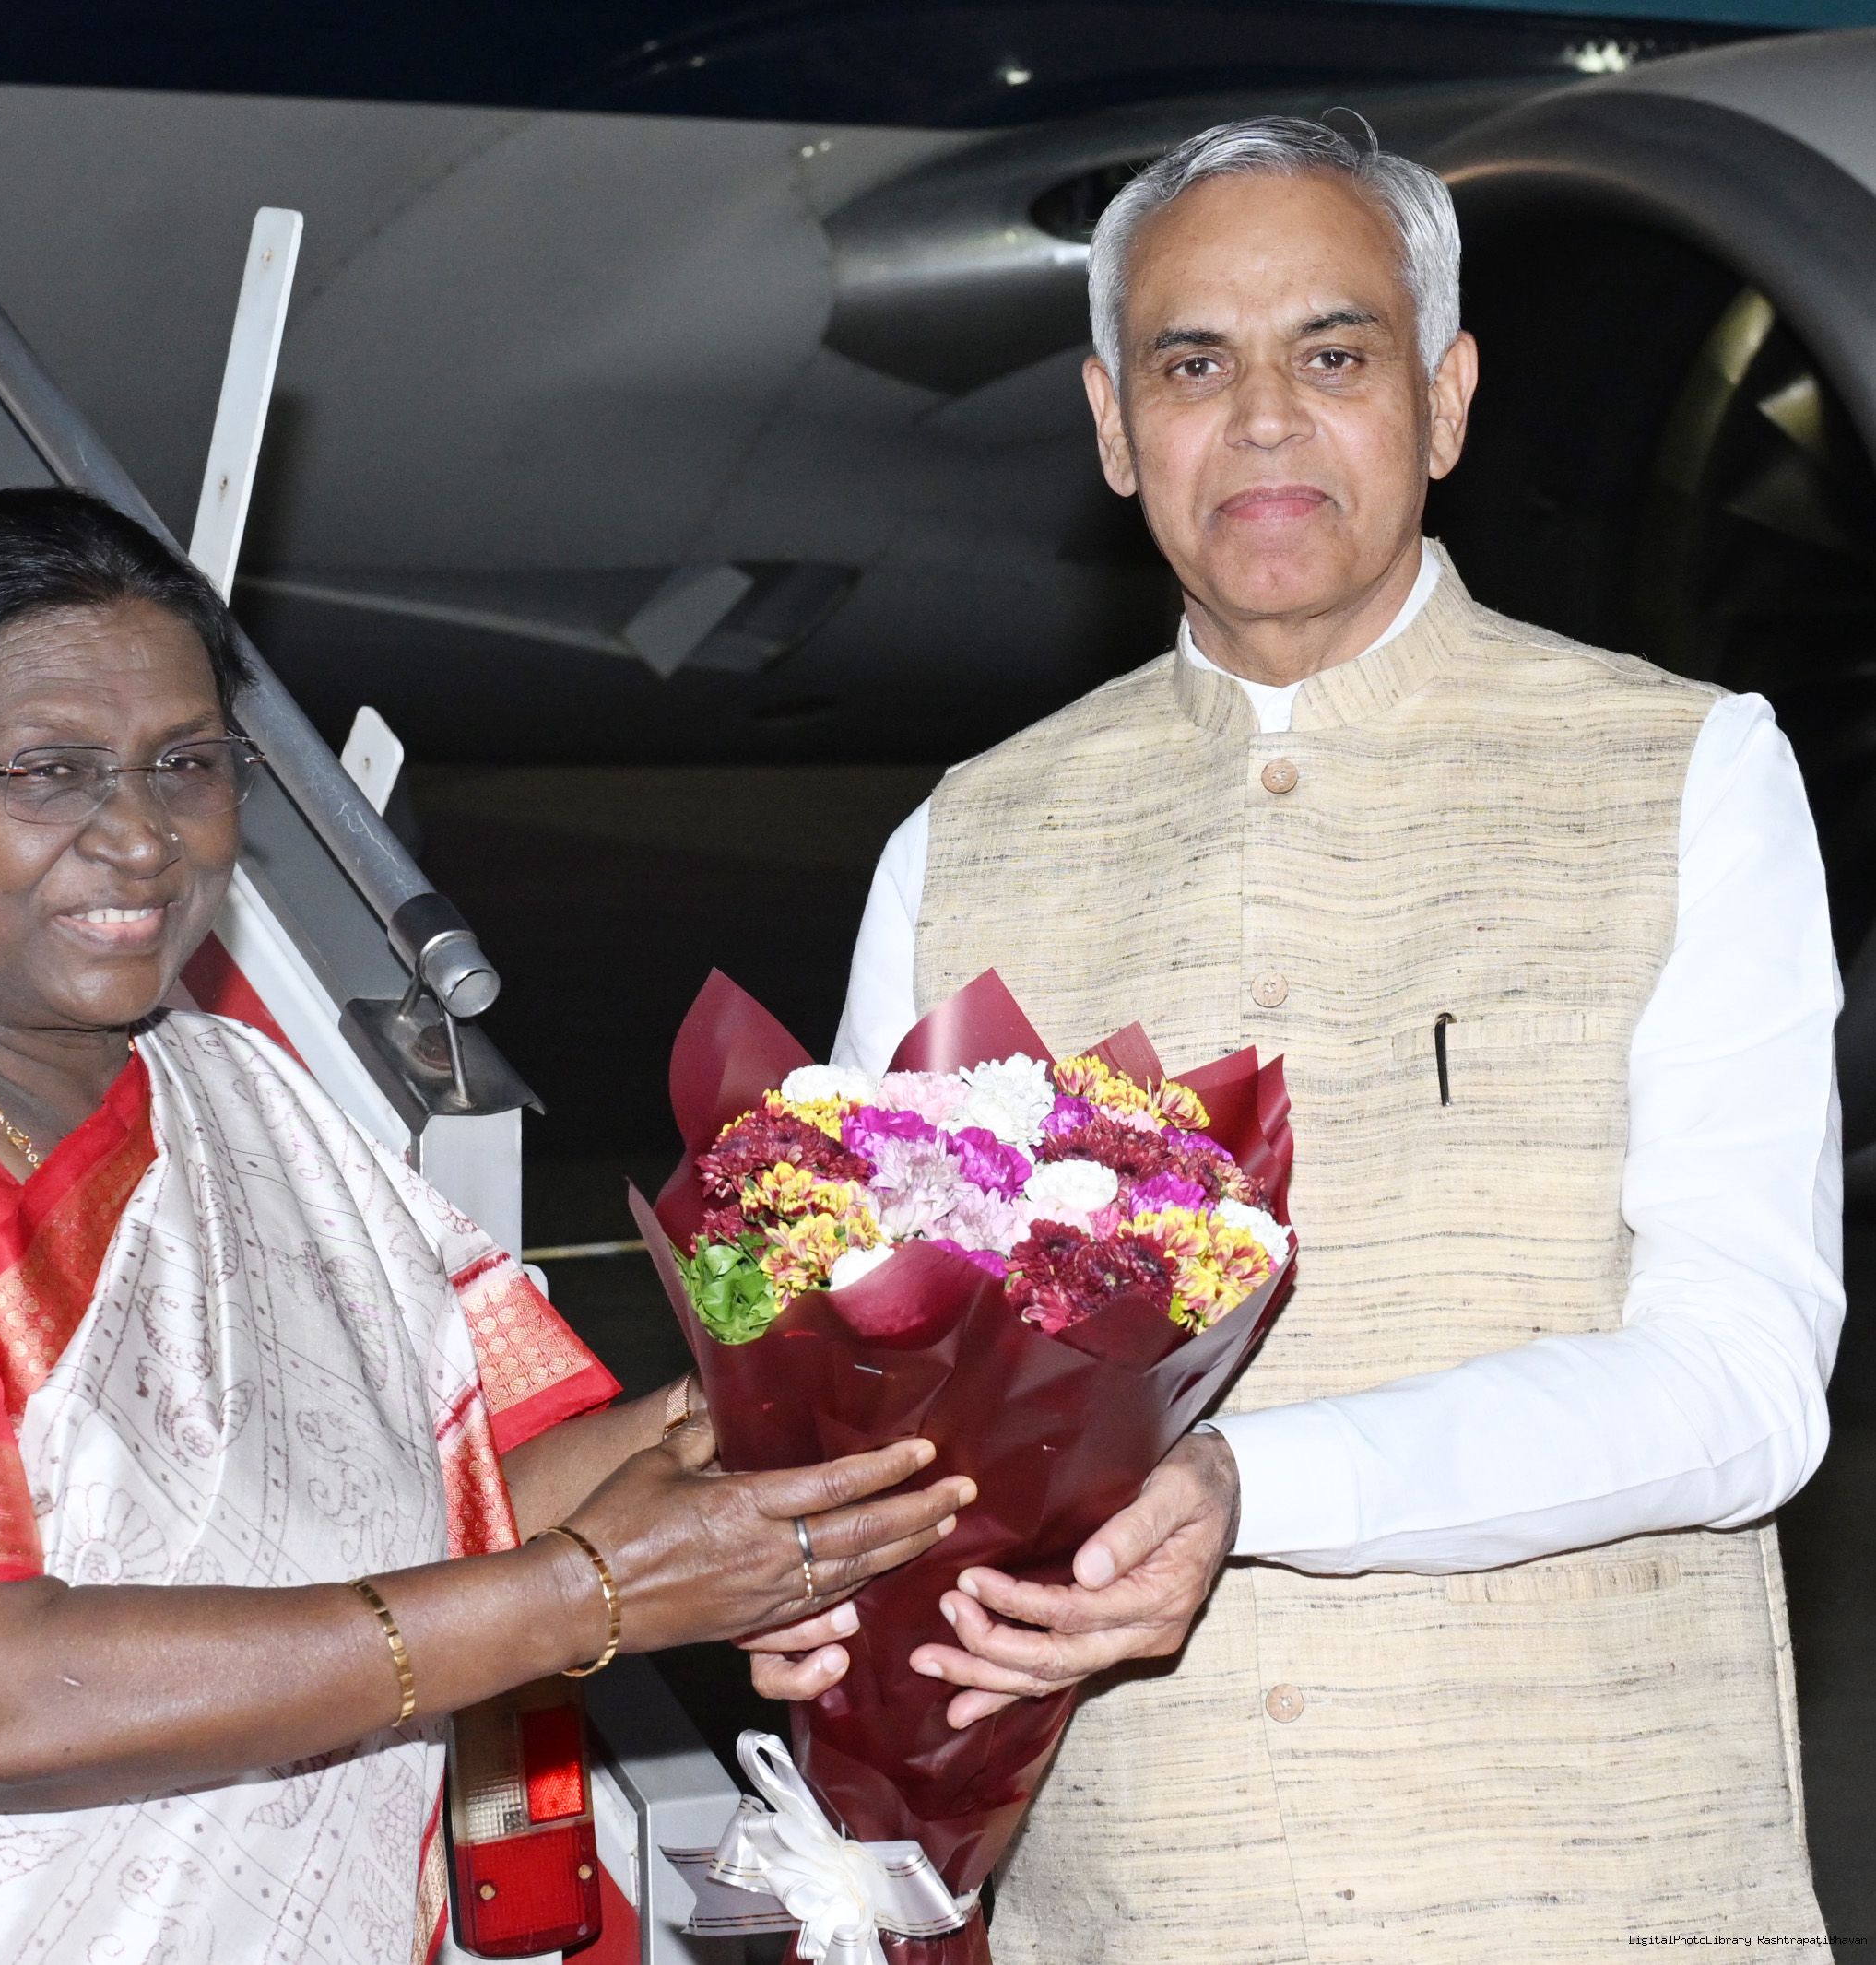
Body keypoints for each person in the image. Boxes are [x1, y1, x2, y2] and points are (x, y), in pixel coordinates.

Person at [0, 488, 973, 1963]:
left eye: (187, 763)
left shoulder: (237, 1094)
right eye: (49, 771)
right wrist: (589, 1597)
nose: (140, 838)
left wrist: (776, 1421)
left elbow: (473, 1490)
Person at [775, 116, 1840, 1954]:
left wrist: (1250, 1484)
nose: (1262, 420)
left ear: (1444, 401)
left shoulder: (1683, 776)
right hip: (1137, 1901)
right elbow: (877, 1387)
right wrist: (814, 1572)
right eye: (1193, 365)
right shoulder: (963, 845)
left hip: (1587, 1891)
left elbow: (1743, 1385)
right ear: (1113, 427)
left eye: (1332, 356)